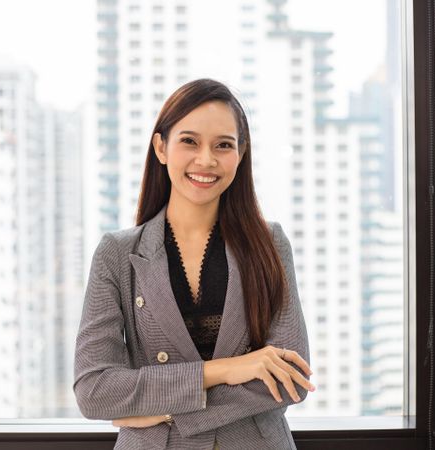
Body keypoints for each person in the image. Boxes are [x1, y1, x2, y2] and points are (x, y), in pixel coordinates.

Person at [73, 78, 315, 450]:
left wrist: (164, 410)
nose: (206, 160)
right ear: (161, 147)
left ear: (241, 152)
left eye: (223, 145)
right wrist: (225, 370)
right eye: (189, 141)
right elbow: (95, 390)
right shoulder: (117, 254)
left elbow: (291, 377)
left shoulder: (270, 243)